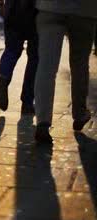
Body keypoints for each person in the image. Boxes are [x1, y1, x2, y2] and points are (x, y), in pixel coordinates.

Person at [33, 0, 97, 143]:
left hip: (49, 8)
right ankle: (79, 114)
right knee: (79, 65)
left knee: (46, 66)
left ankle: (43, 122)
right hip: (85, 11)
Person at [0, 0, 38, 114]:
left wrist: (0, 5)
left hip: (13, 9)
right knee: (34, 59)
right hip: (36, 12)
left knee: (11, 50)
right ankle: (27, 103)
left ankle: (3, 77)